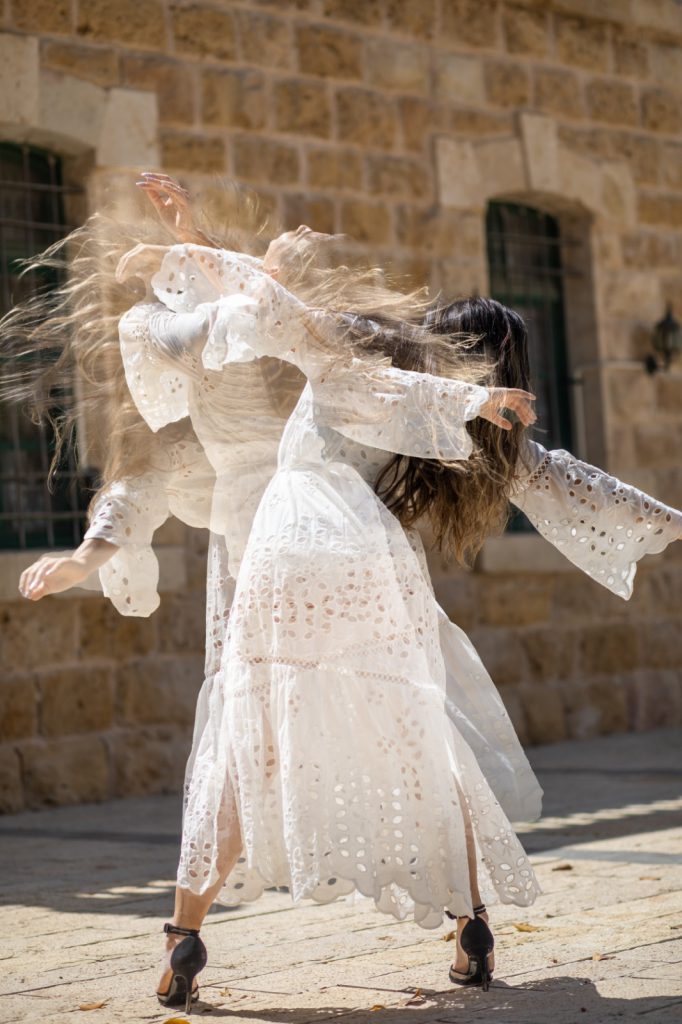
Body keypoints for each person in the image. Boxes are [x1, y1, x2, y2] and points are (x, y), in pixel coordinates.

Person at [7, 178, 682, 1012]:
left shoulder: (361, 360)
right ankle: (470, 924)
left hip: (284, 558)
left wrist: (196, 243)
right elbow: (568, 480)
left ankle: (184, 936)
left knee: (244, 740)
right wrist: (665, 519)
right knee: (422, 743)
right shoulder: (473, 432)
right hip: (371, 573)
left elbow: (273, 314)